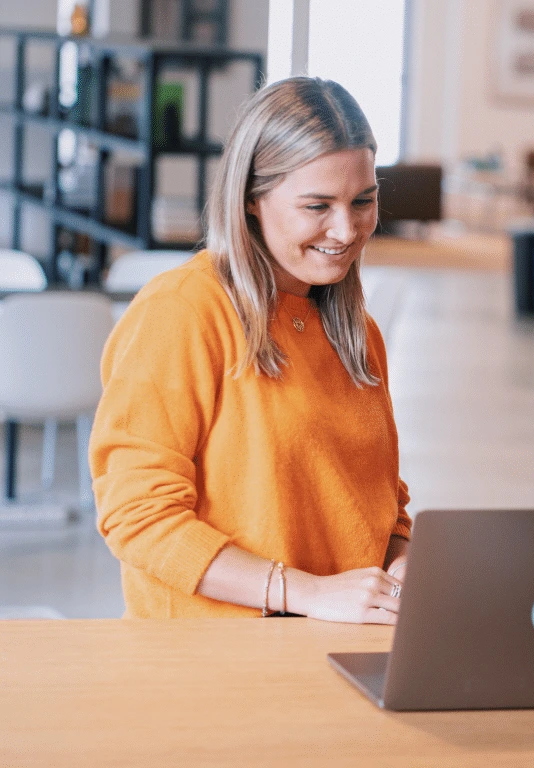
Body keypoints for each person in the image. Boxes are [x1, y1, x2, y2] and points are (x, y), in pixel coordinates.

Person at [90, 77, 411, 622]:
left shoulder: (358, 332)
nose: (346, 227)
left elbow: (380, 506)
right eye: (317, 205)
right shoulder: (184, 312)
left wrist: (403, 562)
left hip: (331, 644)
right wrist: (306, 592)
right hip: (209, 662)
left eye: (364, 200)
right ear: (251, 201)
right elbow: (137, 514)